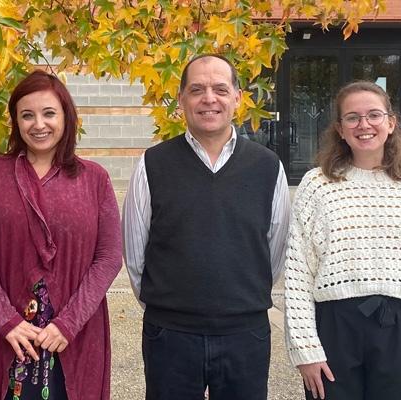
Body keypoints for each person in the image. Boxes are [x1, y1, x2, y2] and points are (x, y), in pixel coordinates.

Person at [0, 70, 122, 400]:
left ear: (66, 116)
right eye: (27, 115)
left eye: (49, 113)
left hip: (72, 333)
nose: (38, 124)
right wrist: (5, 320)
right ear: (16, 122)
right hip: (4, 331)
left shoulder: (93, 178)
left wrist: (68, 323)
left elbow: (109, 257)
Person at [123, 54, 291, 399]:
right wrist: (169, 305)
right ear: (182, 99)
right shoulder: (152, 164)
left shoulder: (267, 166)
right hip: (170, 335)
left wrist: (238, 296)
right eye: (197, 89)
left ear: (238, 98)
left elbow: (275, 249)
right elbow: (135, 253)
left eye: (220, 88)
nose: (209, 98)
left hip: (245, 333)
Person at [284, 81, 401, 400]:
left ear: (391, 123)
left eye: (374, 115)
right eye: (352, 117)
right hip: (334, 330)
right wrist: (305, 347)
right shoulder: (317, 185)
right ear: (340, 128)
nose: (364, 124)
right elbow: (298, 273)